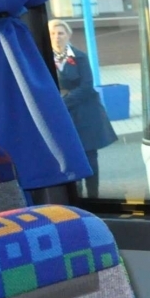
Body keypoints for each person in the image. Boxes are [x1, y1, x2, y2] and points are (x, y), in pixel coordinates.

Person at [49, 19, 116, 198]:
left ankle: (93, 196)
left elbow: (87, 86)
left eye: (61, 33)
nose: (56, 37)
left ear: (68, 35)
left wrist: (64, 102)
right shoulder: (43, 59)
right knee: (68, 156)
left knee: (89, 155)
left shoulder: (80, 57)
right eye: (53, 33)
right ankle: (75, 196)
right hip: (60, 115)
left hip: (85, 113)